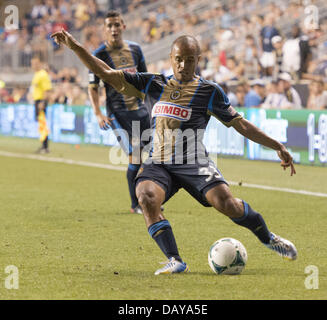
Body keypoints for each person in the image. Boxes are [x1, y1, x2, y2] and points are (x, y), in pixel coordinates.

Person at [52, 30, 298, 275]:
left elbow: (240, 124)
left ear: (198, 60)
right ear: (171, 58)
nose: (183, 65)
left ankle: (268, 238)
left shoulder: (209, 91)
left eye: (190, 59)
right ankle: (175, 259)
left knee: (227, 204)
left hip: (194, 161)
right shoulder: (151, 83)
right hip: (159, 162)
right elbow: (104, 72)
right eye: (179, 59)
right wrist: (75, 46)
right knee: (146, 197)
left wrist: (277, 145)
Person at [88, 10, 151, 214]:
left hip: (141, 112)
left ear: (123, 26)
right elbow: (93, 86)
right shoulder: (98, 55)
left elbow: (145, 80)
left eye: (117, 25)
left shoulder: (136, 49)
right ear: (105, 29)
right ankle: (136, 204)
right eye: (109, 26)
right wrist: (98, 113)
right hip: (117, 114)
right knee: (135, 156)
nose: (114, 29)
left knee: (153, 157)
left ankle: (148, 197)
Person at [31, 54, 52, 154]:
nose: (34, 65)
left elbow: (47, 90)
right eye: (32, 64)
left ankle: (45, 147)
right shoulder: (37, 74)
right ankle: (43, 145)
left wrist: (43, 102)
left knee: (43, 124)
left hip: (41, 101)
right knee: (41, 124)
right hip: (37, 101)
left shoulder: (43, 74)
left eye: (35, 63)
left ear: (39, 64)